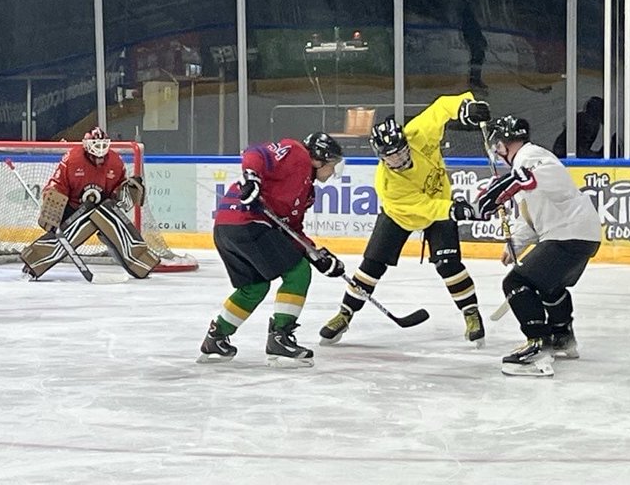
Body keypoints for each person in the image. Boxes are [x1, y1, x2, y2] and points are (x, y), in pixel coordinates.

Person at [320, 92, 490, 347]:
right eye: (389, 157)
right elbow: (425, 208)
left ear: (405, 142)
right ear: (381, 156)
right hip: (403, 215)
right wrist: (453, 210)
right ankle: (345, 314)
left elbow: (442, 107)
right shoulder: (387, 184)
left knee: (448, 264)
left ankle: (471, 313)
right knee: (371, 266)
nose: (397, 160)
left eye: (400, 152)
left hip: (439, 203)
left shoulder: (419, 134)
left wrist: (465, 108)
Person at [197, 132, 346, 368]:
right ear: (319, 159)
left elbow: (291, 229)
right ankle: (280, 337)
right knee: (298, 272)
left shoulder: (307, 192)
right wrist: (252, 179)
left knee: (254, 287)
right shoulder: (296, 153)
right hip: (247, 221)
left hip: (227, 228)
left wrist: (318, 256)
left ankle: (216, 338)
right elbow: (255, 154)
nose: (334, 171)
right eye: (333, 165)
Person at [475, 115, 601, 377]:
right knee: (549, 285)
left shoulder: (530, 156)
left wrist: (501, 191)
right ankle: (562, 337)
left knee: (515, 284)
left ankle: (537, 348)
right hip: (579, 234)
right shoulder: (526, 162)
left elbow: (533, 177)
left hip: (569, 233)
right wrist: (515, 246)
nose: (497, 154)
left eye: (497, 146)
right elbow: (531, 217)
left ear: (502, 144)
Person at [19, 126, 159, 279]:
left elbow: (117, 191)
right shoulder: (72, 158)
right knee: (69, 233)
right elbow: (57, 185)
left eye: (103, 147)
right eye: (96, 148)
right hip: (74, 209)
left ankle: (141, 261)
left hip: (102, 210)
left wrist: (125, 191)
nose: (100, 155)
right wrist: (51, 203)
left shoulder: (115, 162)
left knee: (116, 223)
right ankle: (34, 262)